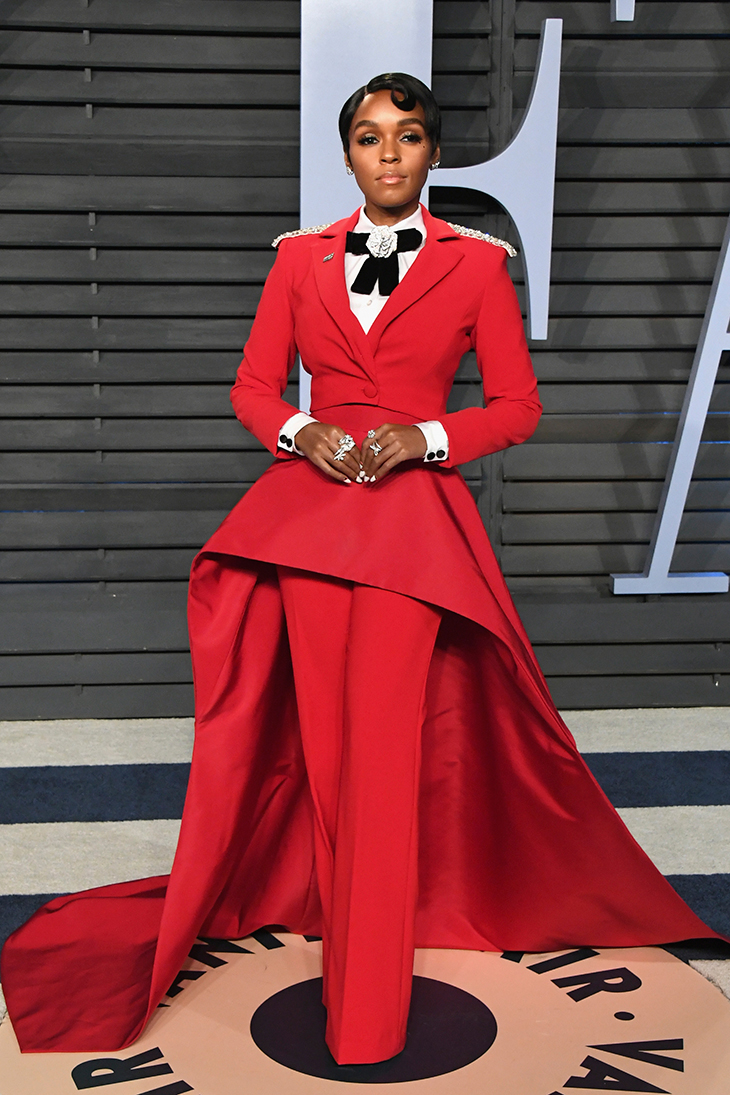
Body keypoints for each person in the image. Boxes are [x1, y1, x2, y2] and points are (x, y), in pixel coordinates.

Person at [1, 73, 719, 1066]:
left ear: (431, 153)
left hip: (409, 535)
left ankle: (366, 1009)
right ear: (347, 152)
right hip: (304, 525)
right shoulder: (297, 260)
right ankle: (344, 955)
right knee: (332, 757)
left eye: (409, 136)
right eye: (371, 137)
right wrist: (301, 432)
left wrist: (422, 437)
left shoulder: (473, 267)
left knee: (380, 761)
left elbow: (516, 407)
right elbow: (252, 385)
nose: (389, 153)